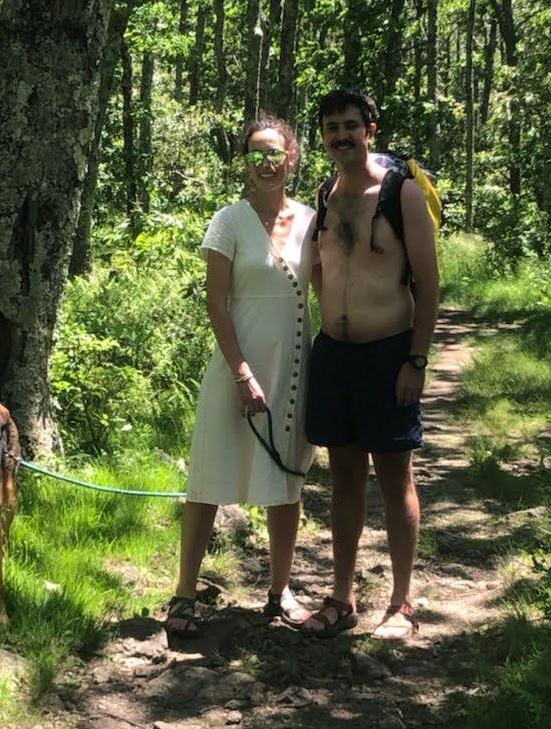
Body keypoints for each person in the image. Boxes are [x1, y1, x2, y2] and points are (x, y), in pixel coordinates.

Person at [164, 116, 318, 637]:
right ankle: (184, 595)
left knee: (287, 478)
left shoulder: (312, 221)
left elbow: (333, 285)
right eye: (256, 155)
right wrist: (241, 372)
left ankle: (280, 591)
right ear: (245, 163)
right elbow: (216, 303)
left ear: (292, 157)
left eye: (275, 153)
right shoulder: (229, 220)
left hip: (293, 366)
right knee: (207, 478)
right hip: (237, 369)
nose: (266, 163)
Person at [301, 89, 439, 640]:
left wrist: (416, 360)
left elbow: (428, 285)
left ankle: (402, 603)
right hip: (334, 354)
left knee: (394, 478)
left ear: (371, 130)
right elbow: (321, 266)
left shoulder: (401, 195)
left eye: (351, 126)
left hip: (389, 354)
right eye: (332, 128)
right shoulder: (325, 194)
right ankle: (342, 596)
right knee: (343, 479)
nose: (341, 137)